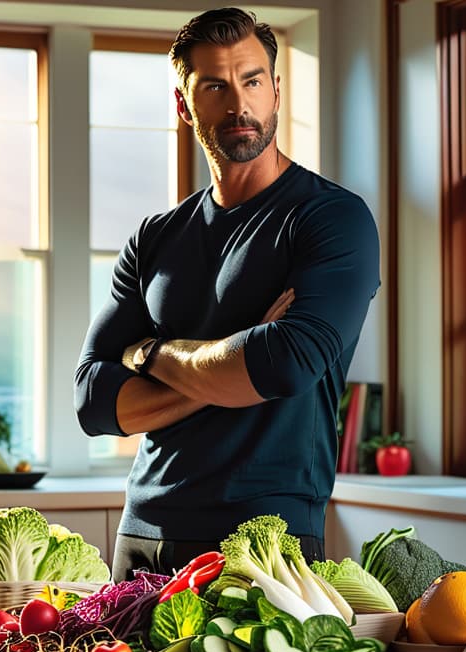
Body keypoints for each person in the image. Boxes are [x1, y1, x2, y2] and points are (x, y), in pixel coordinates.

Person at [74, 7, 380, 581]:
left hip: (263, 536)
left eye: (252, 80)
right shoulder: (155, 237)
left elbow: (285, 365)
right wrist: (235, 361)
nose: (239, 104)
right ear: (185, 106)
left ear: (276, 91)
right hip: (143, 531)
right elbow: (92, 400)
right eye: (215, 85)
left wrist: (151, 353)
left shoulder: (331, 219)